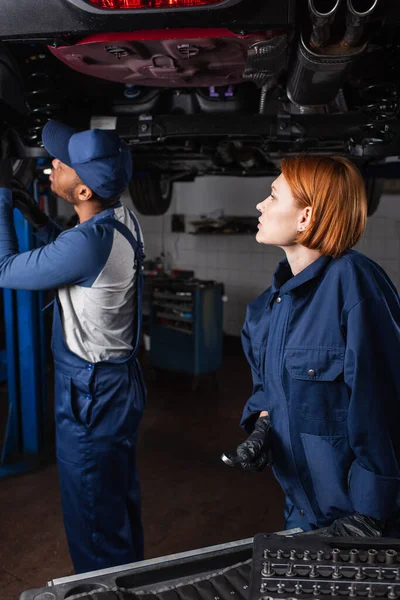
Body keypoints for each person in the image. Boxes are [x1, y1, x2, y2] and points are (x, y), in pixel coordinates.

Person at [0, 120, 146, 573]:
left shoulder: (88, 242)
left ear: (83, 192)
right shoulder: (119, 221)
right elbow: (70, 255)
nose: (53, 163)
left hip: (90, 392)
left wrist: (1, 203)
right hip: (118, 383)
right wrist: (37, 216)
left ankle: (104, 587)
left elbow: (5, 270)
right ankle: (129, 580)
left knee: (92, 518)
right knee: (115, 501)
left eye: (63, 163)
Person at [235, 155, 400, 537]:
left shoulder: (354, 284)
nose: (261, 205)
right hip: (304, 511)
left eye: (273, 196)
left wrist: (372, 513)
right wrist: (263, 430)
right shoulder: (267, 308)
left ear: (306, 217)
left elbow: (383, 405)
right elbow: (269, 390)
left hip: (365, 519)